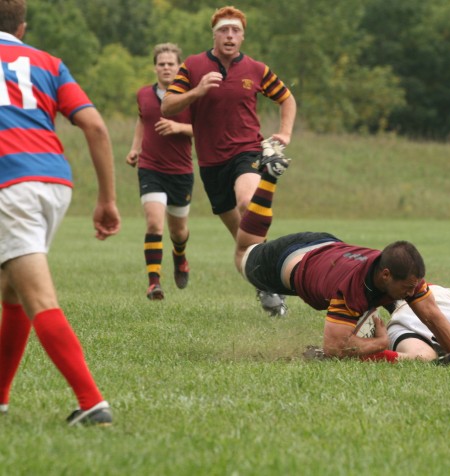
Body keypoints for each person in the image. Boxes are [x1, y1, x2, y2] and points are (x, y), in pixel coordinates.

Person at [233, 146, 450, 364]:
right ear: (385, 275)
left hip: (326, 246)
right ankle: (268, 177)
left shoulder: (405, 272)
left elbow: (433, 316)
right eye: (406, 287)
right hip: (282, 260)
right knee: (245, 250)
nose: (410, 293)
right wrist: (380, 343)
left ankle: (269, 176)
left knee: (381, 310)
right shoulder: (351, 290)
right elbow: (335, 347)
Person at [0, 0, 120, 426]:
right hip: (54, 183)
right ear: (23, 27)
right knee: (12, 290)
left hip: (10, 186)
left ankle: (92, 403)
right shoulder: (49, 63)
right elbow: (96, 127)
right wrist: (107, 198)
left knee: (37, 296)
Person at [161, 6, 297, 316]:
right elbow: (167, 106)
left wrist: (285, 133)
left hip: (247, 152)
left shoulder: (256, 69)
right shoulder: (193, 66)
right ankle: (268, 284)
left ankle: (272, 281)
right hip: (211, 164)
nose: (230, 35)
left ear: (243, 36)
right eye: (224, 30)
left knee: (248, 203)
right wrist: (197, 91)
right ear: (214, 34)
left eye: (236, 30)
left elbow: (286, 98)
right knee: (244, 241)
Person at [126, 43, 194, 301]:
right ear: (155, 67)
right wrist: (135, 149)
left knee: (178, 231)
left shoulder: (190, 97)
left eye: (171, 64)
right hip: (150, 168)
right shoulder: (143, 94)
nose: (166, 68)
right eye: (161, 64)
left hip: (181, 171)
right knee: (154, 222)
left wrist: (178, 128)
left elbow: (205, 130)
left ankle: (180, 256)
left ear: (179, 68)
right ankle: (154, 283)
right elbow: (142, 121)